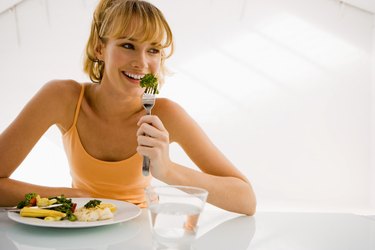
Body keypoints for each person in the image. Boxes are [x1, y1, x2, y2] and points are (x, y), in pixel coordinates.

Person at [0, 0, 256, 215]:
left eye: (153, 50)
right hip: (78, 230)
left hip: (139, 235)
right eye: (128, 45)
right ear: (100, 49)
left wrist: (167, 170)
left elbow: (246, 200)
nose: (141, 63)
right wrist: (69, 196)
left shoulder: (165, 114)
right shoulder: (61, 98)